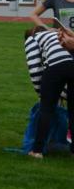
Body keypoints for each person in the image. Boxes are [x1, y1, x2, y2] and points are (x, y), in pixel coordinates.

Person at [26, 25, 74, 158]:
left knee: (46, 109)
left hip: (55, 66)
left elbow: (34, 68)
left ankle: (37, 151)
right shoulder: (56, 34)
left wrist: (41, 93)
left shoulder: (33, 38)